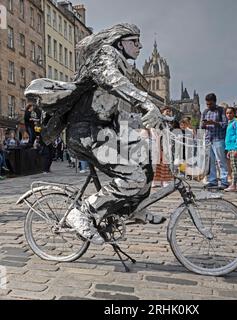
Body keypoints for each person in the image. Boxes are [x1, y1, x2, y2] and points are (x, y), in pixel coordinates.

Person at [28, 23, 165, 244]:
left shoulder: (120, 64)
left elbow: (111, 108)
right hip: (86, 134)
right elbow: (114, 82)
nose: (140, 46)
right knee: (133, 176)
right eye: (135, 42)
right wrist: (148, 104)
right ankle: (82, 213)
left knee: (144, 154)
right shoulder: (105, 58)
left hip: (104, 131)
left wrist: (149, 119)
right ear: (120, 43)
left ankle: (131, 208)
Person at [200, 93, 229, 189]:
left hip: (218, 139)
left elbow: (225, 124)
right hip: (208, 138)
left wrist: (214, 123)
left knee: (221, 161)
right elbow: (201, 126)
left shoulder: (221, 110)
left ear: (215, 102)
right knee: (211, 161)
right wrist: (204, 125)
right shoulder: (205, 112)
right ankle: (213, 180)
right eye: (207, 104)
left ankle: (224, 180)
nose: (209, 106)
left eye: (210, 104)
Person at [151, 106, 174, 187]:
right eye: (167, 111)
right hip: (158, 142)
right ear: (162, 111)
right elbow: (154, 130)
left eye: (169, 111)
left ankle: (164, 180)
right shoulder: (158, 120)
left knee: (164, 162)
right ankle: (155, 180)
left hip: (165, 143)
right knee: (157, 163)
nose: (168, 113)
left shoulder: (167, 122)